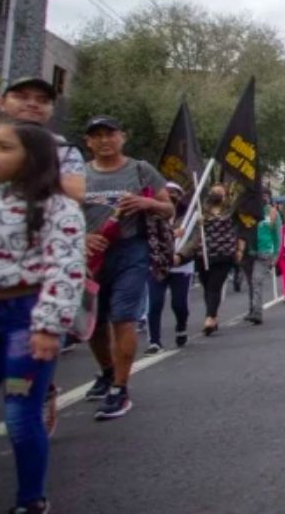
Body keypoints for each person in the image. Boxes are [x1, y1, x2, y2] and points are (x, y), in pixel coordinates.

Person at [0, 120, 86, 514]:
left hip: (25, 323)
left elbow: (65, 269)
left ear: (33, 158)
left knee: (18, 414)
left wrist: (46, 326)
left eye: (4, 148)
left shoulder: (58, 208)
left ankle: (31, 499)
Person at [82, 115, 174, 421]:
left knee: (124, 317)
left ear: (122, 137)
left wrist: (147, 204)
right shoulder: (77, 176)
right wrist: (82, 238)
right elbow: (62, 215)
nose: (105, 140)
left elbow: (168, 208)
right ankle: (107, 372)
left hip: (130, 251)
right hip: (90, 257)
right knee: (94, 323)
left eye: (111, 134)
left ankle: (120, 389)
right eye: (97, 135)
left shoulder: (140, 169)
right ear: (89, 142)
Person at [176, 184, 241, 335]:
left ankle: (210, 317)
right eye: (214, 190)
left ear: (225, 195)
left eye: (220, 191)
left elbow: (239, 229)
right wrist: (196, 222)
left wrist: (239, 249)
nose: (216, 193)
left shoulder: (231, 212)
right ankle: (212, 314)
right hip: (203, 254)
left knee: (214, 286)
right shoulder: (201, 211)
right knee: (207, 286)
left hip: (223, 254)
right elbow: (186, 228)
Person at [145, 182, 193, 353]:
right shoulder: (151, 216)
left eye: (174, 193)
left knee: (179, 304)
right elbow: (149, 238)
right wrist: (172, 235)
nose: (170, 196)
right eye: (167, 192)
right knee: (155, 303)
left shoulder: (189, 217)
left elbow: (194, 242)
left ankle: (181, 327)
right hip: (157, 265)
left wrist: (180, 256)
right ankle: (154, 341)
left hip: (181, 267)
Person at [239, 192, 280, 324]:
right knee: (251, 282)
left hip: (264, 252)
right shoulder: (245, 212)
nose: (263, 198)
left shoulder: (272, 213)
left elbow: (277, 234)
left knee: (256, 280)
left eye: (265, 196)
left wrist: (276, 254)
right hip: (248, 252)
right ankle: (253, 309)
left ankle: (257, 312)